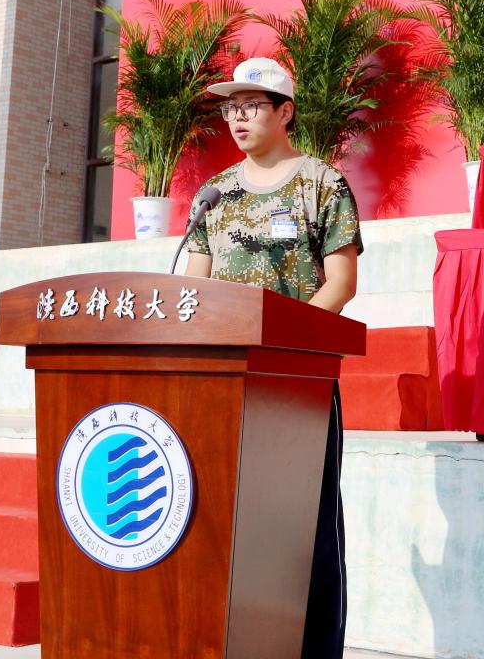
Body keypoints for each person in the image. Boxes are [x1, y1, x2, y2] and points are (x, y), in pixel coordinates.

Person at [184, 56, 361, 659]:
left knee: (305, 524)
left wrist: (286, 344)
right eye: (230, 108)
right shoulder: (213, 194)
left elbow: (341, 283)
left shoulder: (322, 183)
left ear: (285, 112)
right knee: (226, 520)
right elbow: (193, 287)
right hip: (221, 382)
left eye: (252, 105)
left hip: (295, 379)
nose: (238, 117)